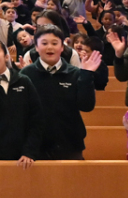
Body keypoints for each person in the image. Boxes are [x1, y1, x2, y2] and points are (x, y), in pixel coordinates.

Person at [24, 25, 104, 160]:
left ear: (62, 47)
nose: (50, 47)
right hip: (36, 147)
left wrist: (87, 75)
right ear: (36, 47)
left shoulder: (75, 73)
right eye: (44, 43)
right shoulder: (26, 74)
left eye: (54, 43)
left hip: (70, 144)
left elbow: (86, 106)